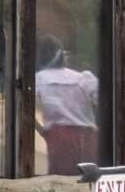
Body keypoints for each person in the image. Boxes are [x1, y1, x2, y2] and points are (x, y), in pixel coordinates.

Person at [34, 34, 100, 173]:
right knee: (88, 181)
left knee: (61, 182)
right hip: (89, 137)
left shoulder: (39, 79)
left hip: (60, 138)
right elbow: (102, 99)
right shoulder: (82, 78)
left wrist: (43, 131)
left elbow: (23, 108)